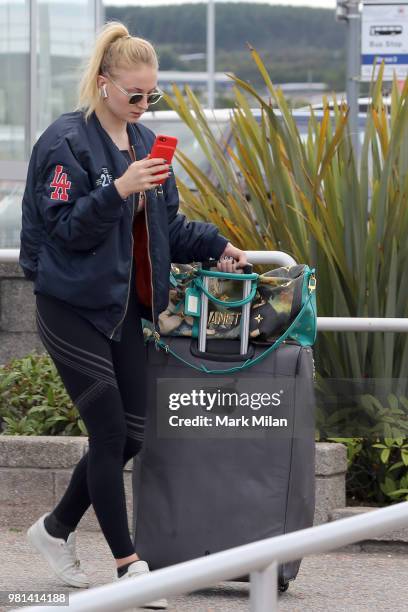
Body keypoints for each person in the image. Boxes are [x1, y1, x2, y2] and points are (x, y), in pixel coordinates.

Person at [20, 20, 248, 610]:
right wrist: (117, 188)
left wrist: (217, 243)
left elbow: (165, 227)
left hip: (127, 307)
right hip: (69, 303)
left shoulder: (148, 145)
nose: (145, 106)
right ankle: (129, 566)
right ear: (103, 86)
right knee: (110, 431)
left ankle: (52, 530)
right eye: (135, 95)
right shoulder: (64, 142)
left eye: (153, 96)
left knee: (132, 437)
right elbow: (63, 229)